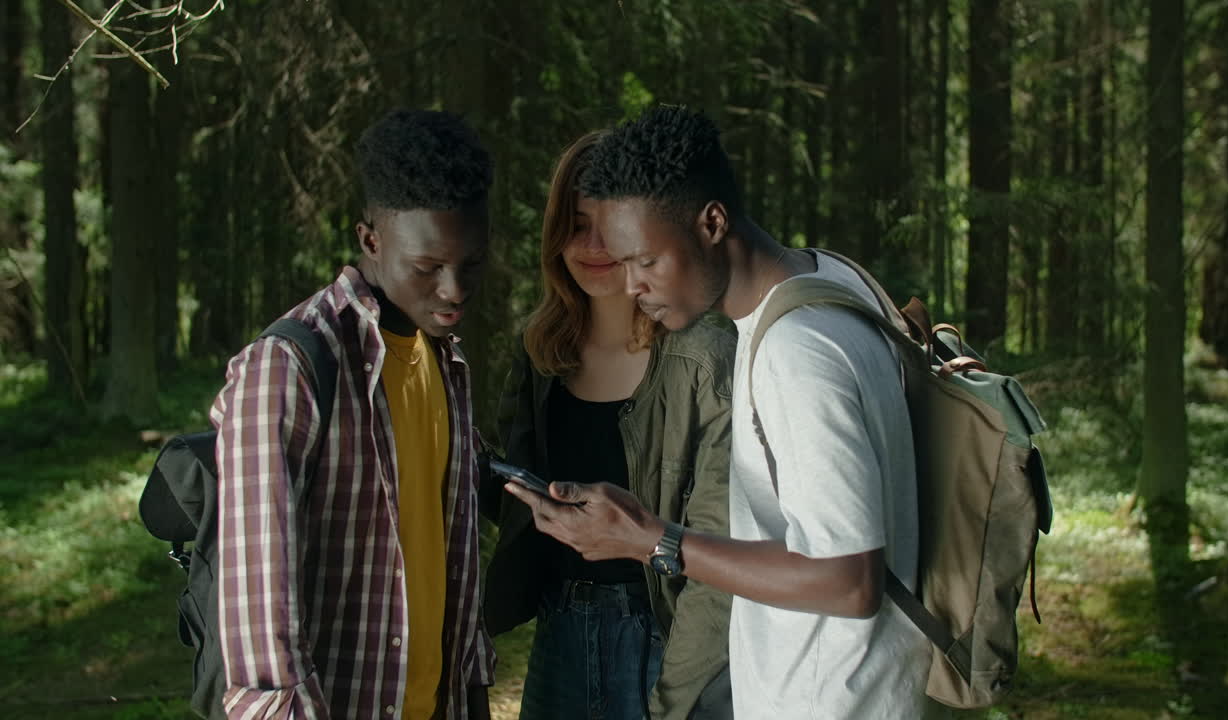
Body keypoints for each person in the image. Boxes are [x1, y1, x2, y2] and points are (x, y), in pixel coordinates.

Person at [504, 105, 936, 719]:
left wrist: (654, 540)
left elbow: (849, 582)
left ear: (711, 222)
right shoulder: (829, 279)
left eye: (647, 261)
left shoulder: (796, 350)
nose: (632, 285)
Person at [211, 109, 495, 720]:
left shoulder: (445, 359)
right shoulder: (289, 367)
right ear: (370, 239)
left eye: (470, 264)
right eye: (427, 268)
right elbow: (260, 629)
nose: (454, 290)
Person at [480, 130, 735, 720]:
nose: (592, 244)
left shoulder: (703, 359)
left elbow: (719, 554)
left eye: (610, 226)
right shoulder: (540, 351)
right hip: (559, 635)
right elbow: (518, 505)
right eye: (574, 222)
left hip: (665, 640)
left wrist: (678, 697)